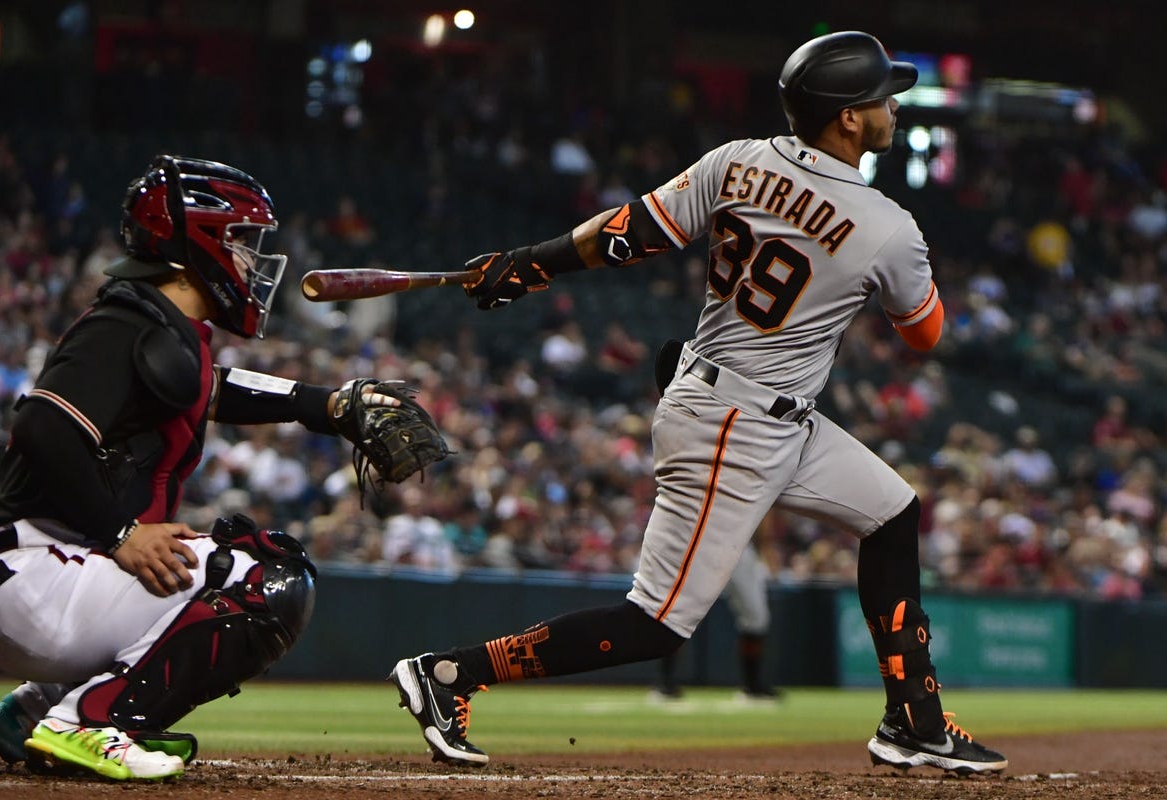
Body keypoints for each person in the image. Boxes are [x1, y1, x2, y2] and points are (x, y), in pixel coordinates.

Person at [387, 31, 1007, 775]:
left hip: (768, 412)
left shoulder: (738, 159)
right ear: (848, 118)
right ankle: (451, 673)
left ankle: (914, 720)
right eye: (881, 97)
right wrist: (894, 265)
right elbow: (926, 332)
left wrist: (529, 265)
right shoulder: (887, 226)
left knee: (893, 512)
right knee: (654, 625)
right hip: (733, 426)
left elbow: (627, 234)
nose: (892, 108)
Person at [0, 155, 415, 781]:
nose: (251, 260)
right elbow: (41, 428)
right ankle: (91, 721)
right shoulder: (119, 322)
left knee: (238, 559)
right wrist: (121, 535)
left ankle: (32, 712)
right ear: (196, 241)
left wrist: (326, 405)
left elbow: (209, 386)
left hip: (40, 575)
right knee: (265, 579)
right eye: (240, 240)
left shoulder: (154, 327)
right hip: (38, 578)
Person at [651, 541, 779, 703]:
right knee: (680, 612)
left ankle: (752, 685)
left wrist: (766, 549)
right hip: (702, 543)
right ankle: (664, 681)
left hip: (740, 543)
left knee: (756, 617)